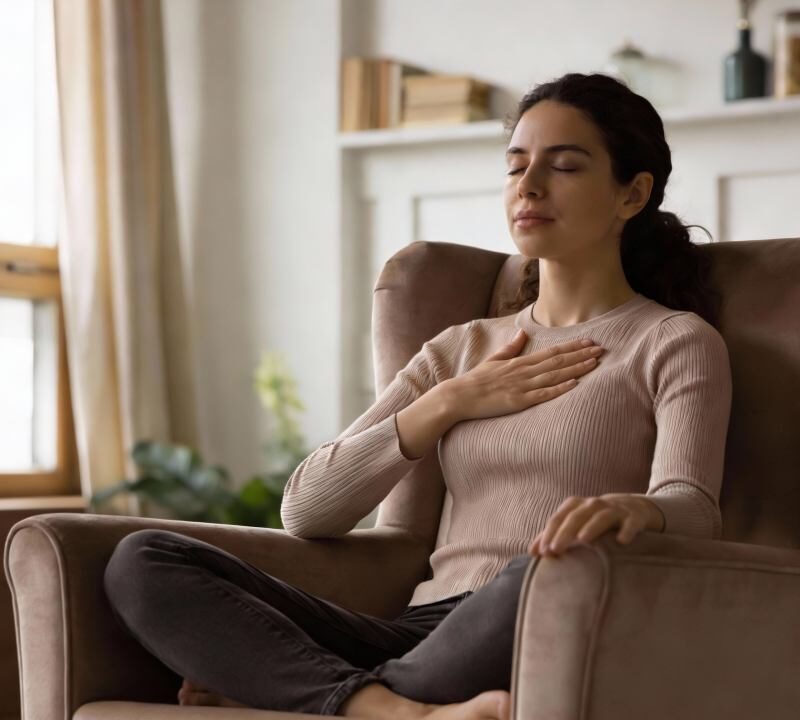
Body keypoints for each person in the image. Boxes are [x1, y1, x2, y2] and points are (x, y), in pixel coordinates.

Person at [103, 72, 732, 720]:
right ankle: (395, 708)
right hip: (416, 632)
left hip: (536, 614)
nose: (529, 186)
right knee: (142, 560)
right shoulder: (458, 350)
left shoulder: (673, 341)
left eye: (564, 165)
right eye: (516, 167)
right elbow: (307, 509)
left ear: (632, 194)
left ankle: (303, 691)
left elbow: (692, 505)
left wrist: (635, 512)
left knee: (541, 571)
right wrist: (448, 402)